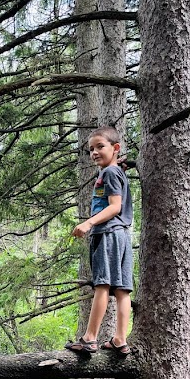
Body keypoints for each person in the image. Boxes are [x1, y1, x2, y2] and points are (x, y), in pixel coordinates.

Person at [65, 126, 133, 356]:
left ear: (115, 148)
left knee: (102, 284)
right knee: (122, 290)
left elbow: (115, 207)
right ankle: (119, 339)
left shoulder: (110, 173)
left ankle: (89, 338)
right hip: (122, 235)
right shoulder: (116, 171)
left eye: (100, 147)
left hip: (108, 234)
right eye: (91, 149)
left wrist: (89, 223)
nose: (94, 152)